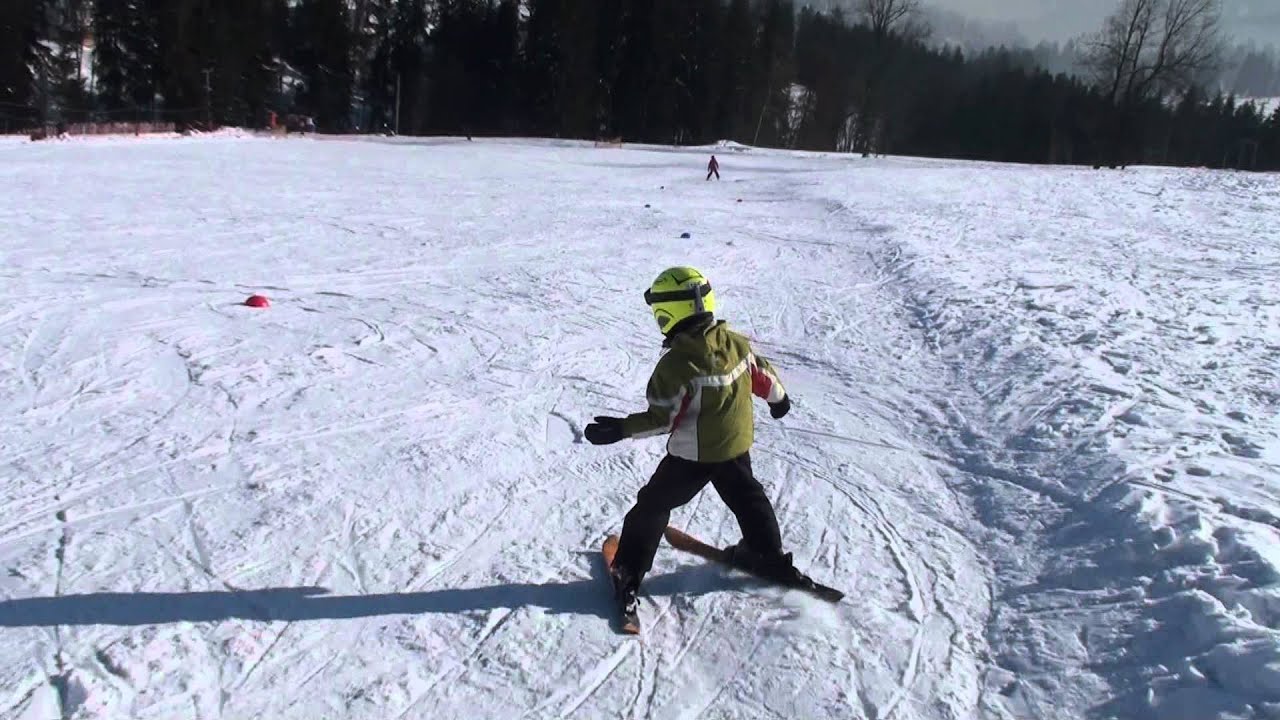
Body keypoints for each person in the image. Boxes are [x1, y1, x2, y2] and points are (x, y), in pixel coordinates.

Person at [585, 267, 806, 615]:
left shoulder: (677, 364)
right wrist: (779, 398)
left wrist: (621, 428)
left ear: (666, 313)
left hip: (694, 455)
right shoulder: (735, 342)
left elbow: (663, 420)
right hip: (735, 444)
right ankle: (767, 555)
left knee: (652, 507)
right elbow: (761, 374)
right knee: (749, 499)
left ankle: (628, 572)